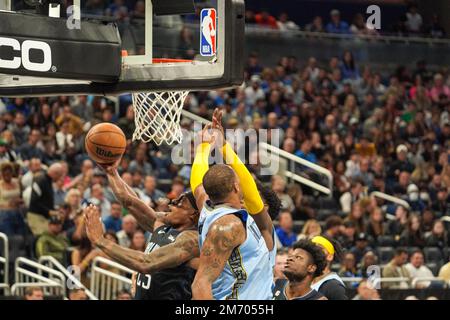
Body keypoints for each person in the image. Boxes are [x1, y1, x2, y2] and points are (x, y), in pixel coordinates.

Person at [84, 158, 201, 300]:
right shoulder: (161, 223)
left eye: (179, 203)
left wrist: (100, 240)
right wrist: (112, 172)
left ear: (194, 215)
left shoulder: (192, 240)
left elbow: (146, 263)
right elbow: (130, 202)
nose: (172, 203)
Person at [191, 109, 276, 300]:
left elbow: (198, 185)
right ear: (237, 187)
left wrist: (204, 147)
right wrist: (223, 147)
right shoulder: (230, 226)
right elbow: (200, 285)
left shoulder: (207, 208)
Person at [27, 163, 64, 236]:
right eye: (59, 176)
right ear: (55, 173)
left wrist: (55, 210)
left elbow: (46, 200)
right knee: (45, 236)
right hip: (36, 216)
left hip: (44, 217)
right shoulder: (40, 180)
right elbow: (34, 201)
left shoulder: (49, 181)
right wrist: (49, 212)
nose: (59, 179)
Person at [310, 235, 348, 300]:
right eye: (311, 249)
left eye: (319, 248)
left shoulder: (334, 286)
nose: (313, 251)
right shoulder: (304, 281)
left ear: (329, 256)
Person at [0, 162, 25, 236]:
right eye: (4, 174)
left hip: (18, 211)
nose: (7, 176)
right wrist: (8, 204)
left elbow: (22, 197)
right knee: (10, 236)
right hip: (4, 213)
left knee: (21, 234)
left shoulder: (17, 182)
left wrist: (20, 201)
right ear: (1, 174)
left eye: (9, 173)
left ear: (12, 173)